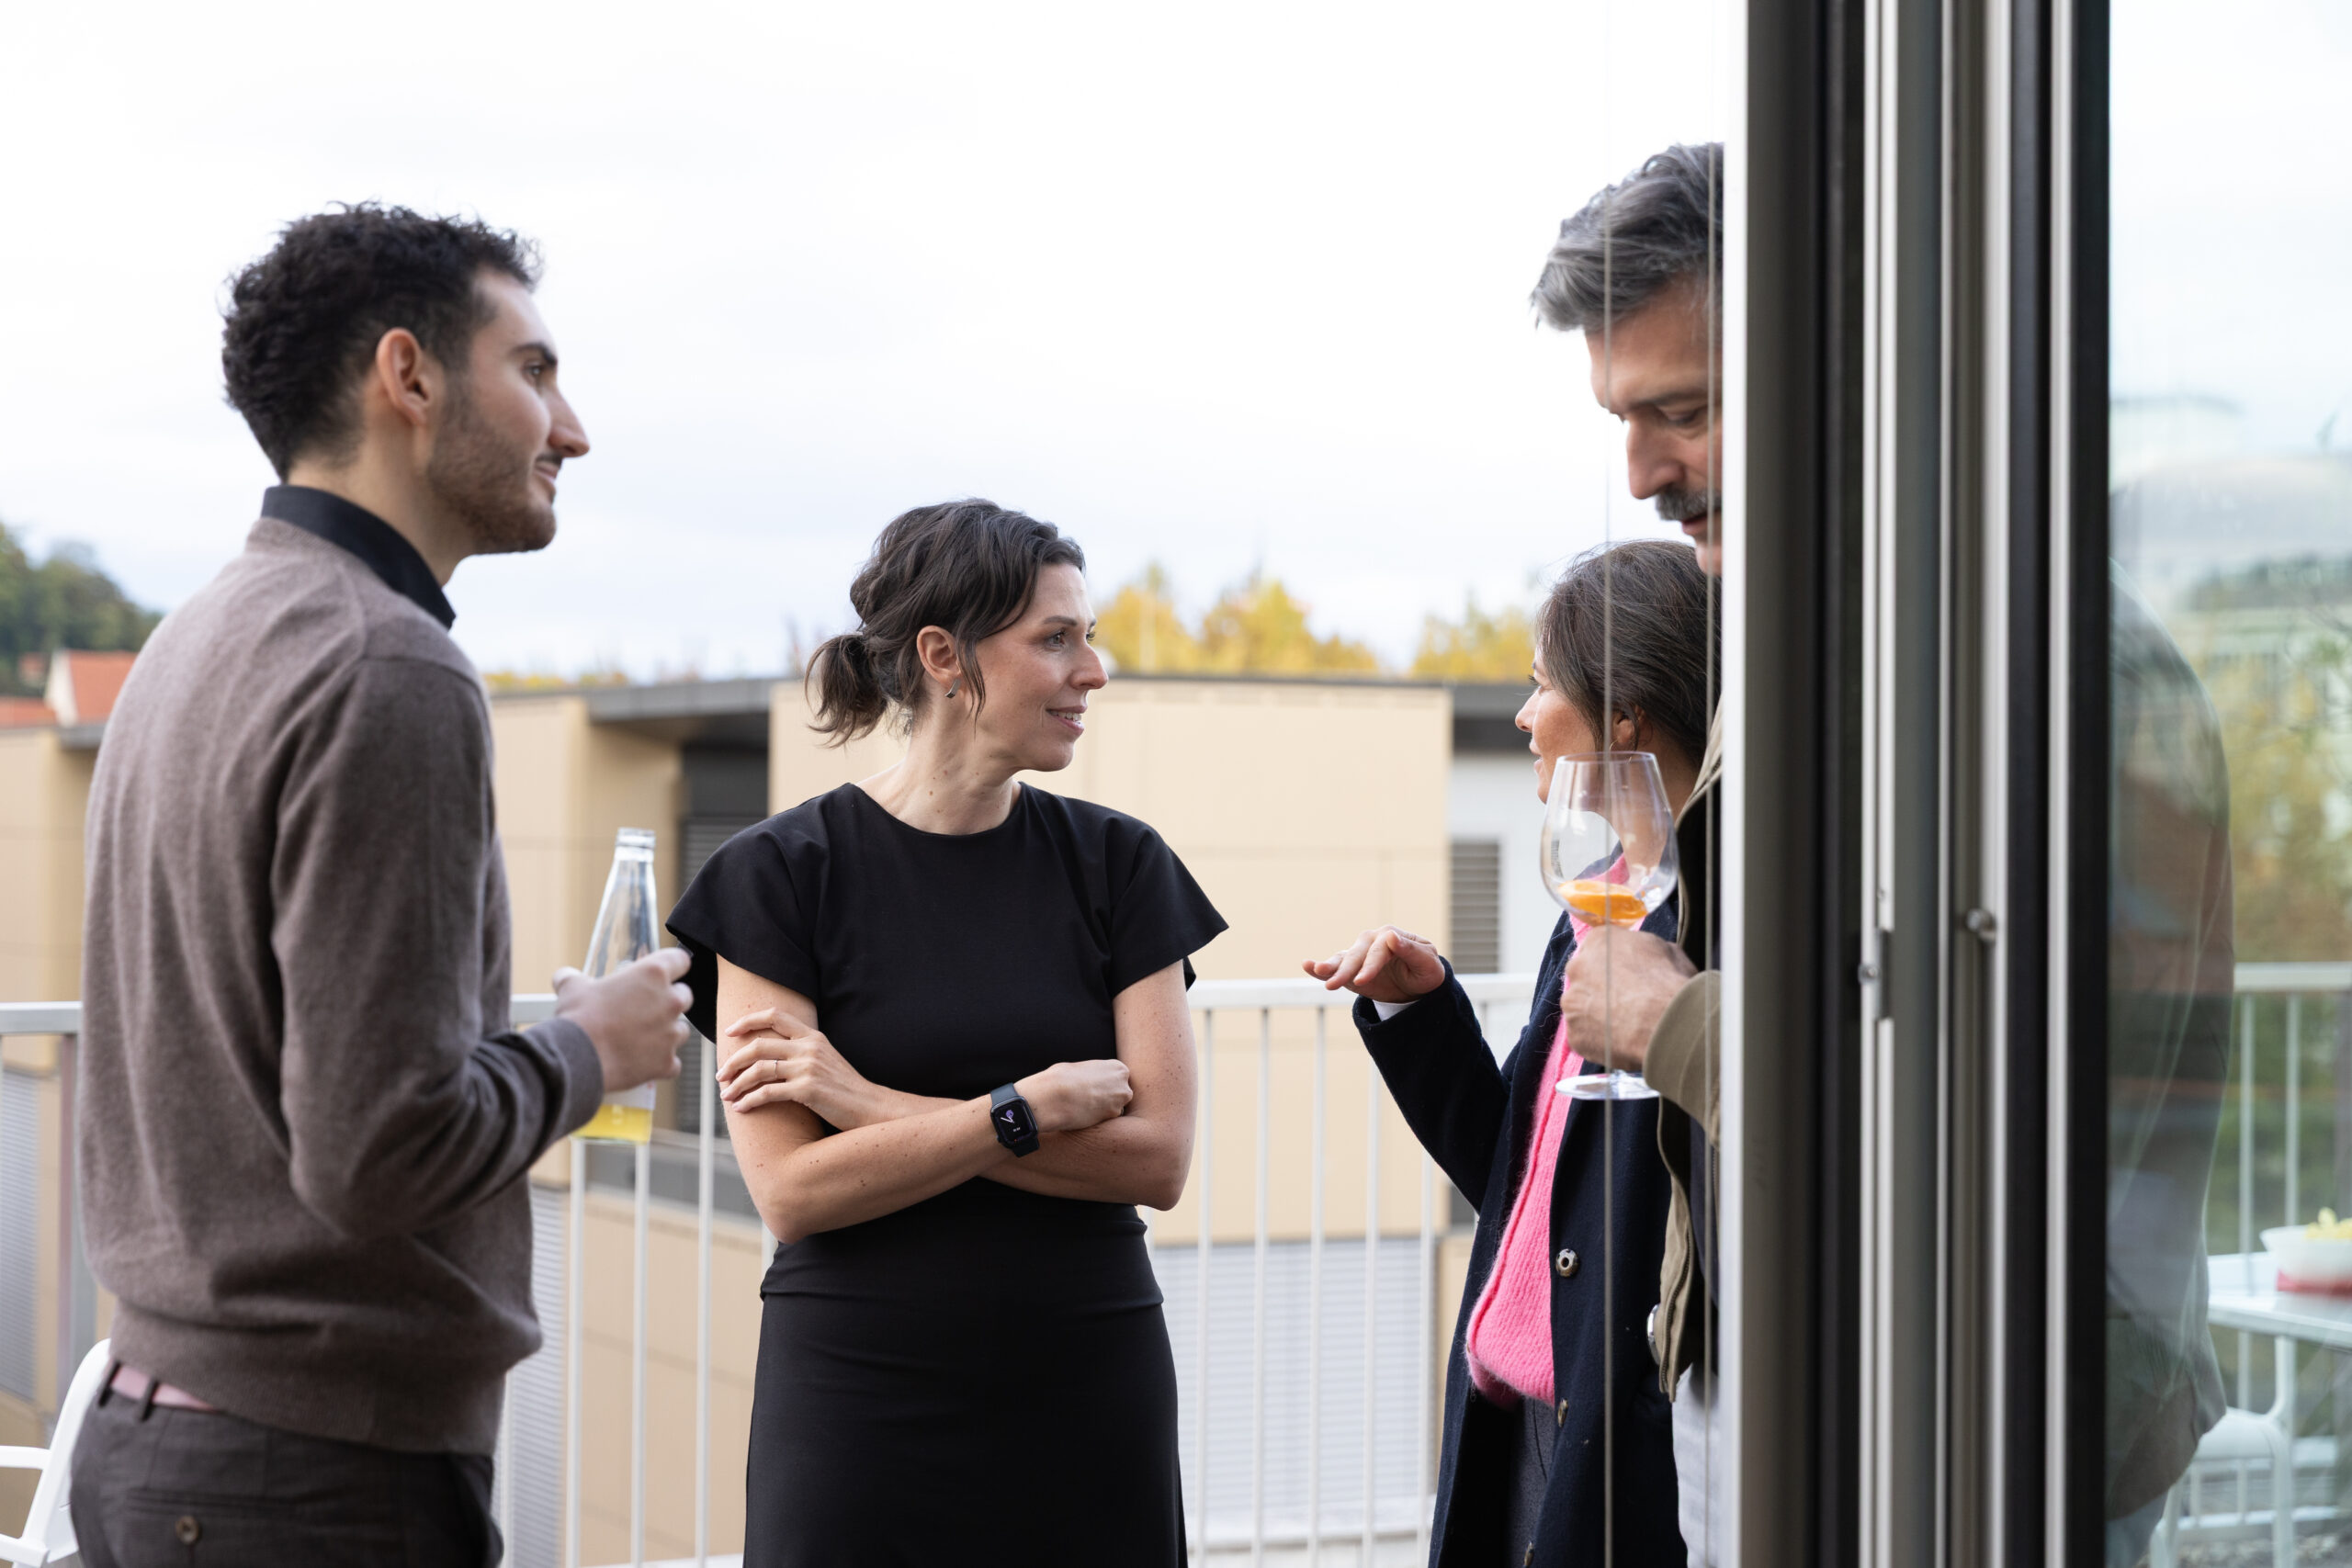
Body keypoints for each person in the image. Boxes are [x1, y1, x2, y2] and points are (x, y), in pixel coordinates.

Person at [71, 206, 693, 1563]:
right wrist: (595, 1048)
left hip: (159, 1440)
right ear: (407, 377)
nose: (571, 428)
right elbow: (376, 1146)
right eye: (533, 370)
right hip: (307, 1481)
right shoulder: (386, 667)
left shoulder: (201, 634)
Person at [666, 500, 1226, 1568]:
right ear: (944, 658)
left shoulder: (1121, 867)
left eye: (1088, 637)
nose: (1092, 671)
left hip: (1086, 1376)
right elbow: (795, 1190)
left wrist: (873, 1108)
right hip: (858, 1392)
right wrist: (1029, 1109)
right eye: (1055, 639)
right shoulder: (778, 877)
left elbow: (1155, 1161)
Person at [1305, 539, 1717, 1567]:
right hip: (1519, 1413)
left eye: (1541, 685)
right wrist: (1422, 1014)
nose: (1526, 716)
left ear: (1620, 714)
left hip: (1627, 1434)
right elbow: (1524, 1181)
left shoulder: (1705, 925)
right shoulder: (1597, 905)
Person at [1527, 143, 1731, 1561]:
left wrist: (1669, 1023)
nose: (1644, 470)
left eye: (1688, 411)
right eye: (1626, 418)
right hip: (1726, 1371)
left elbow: (1970, 1090)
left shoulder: (1955, 677)